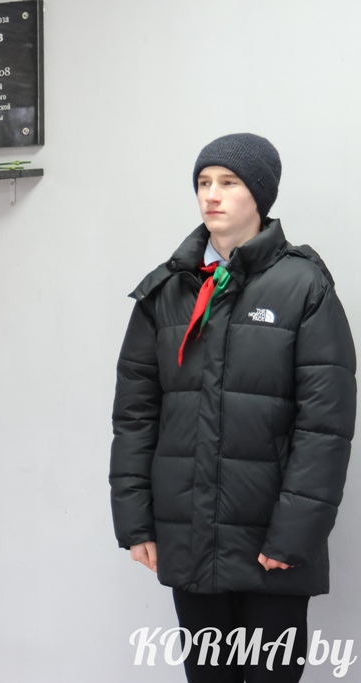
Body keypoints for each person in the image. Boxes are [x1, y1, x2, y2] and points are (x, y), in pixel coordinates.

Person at [109, 133, 356, 682]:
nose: (211, 195)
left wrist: (294, 535)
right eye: (203, 182)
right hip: (191, 535)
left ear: (260, 195)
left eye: (228, 182)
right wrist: (135, 521)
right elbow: (135, 416)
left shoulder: (304, 286)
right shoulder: (166, 291)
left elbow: (325, 426)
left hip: (271, 543)